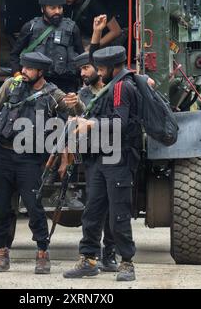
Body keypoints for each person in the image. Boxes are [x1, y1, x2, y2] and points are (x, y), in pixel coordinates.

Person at [0, 51, 85, 274]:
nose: (23, 72)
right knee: (1, 208)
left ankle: (42, 252)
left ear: (40, 72)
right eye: (23, 67)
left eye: (29, 69)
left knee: (34, 207)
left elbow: (76, 111)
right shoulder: (11, 85)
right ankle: (1, 252)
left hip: (30, 159)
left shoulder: (52, 93)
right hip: (2, 154)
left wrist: (77, 102)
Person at [63, 46, 141, 281]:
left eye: (102, 68)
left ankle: (127, 263)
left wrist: (91, 124)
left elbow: (121, 123)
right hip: (98, 158)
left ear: (114, 67)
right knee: (92, 212)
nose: (99, 71)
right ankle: (88, 259)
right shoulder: (107, 87)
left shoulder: (121, 87)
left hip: (118, 158)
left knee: (119, 214)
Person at [73, 51, 118, 272]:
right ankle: (90, 256)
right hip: (93, 155)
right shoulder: (82, 93)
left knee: (114, 208)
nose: (83, 73)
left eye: (87, 68)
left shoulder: (116, 89)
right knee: (94, 207)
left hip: (116, 154)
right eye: (80, 69)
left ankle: (110, 255)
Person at [10, 0, 84, 93]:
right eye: (52, 8)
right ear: (43, 9)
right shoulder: (30, 27)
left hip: (66, 85)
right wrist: (17, 75)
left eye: (60, 7)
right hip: (37, 84)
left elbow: (82, 58)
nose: (57, 11)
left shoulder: (72, 28)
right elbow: (14, 54)